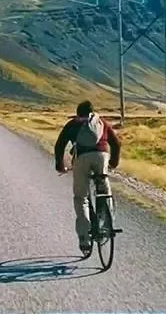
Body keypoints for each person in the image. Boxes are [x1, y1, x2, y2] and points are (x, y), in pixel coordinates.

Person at [54, 99, 121, 253]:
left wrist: (60, 165)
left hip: (82, 158)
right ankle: (106, 225)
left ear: (78, 113)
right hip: (101, 156)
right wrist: (113, 162)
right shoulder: (101, 122)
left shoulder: (73, 123)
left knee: (81, 197)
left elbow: (60, 145)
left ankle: (84, 237)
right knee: (105, 190)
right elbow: (116, 143)